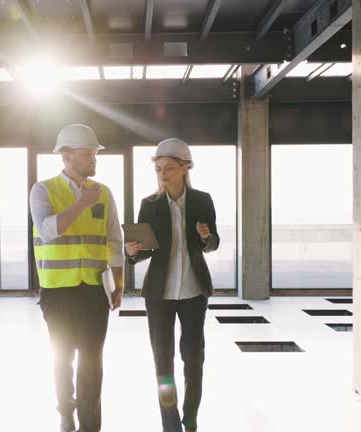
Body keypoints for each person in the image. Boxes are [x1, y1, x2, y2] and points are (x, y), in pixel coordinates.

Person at [30, 124, 124, 432]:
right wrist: (82, 203)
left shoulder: (105, 193)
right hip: (57, 291)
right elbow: (47, 230)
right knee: (62, 357)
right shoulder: (43, 190)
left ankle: (90, 424)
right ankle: (65, 410)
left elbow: (114, 240)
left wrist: (119, 281)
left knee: (92, 359)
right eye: (88, 153)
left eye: (95, 153)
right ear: (67, 156)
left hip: (94, 289)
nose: (94, 159)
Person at [125, 138, 219, 432]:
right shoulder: (149, 205)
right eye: (158, 169)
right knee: (162, 361)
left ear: (185, 167)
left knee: (193, 359)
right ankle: (170, 424)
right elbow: (145, 250)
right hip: (159, 295)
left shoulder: (203, 200)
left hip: (193, 292)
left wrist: (206, 237)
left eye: (168, 168)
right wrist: (132, 252)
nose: (162, 174)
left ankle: (190, 418)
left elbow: (213, 244)